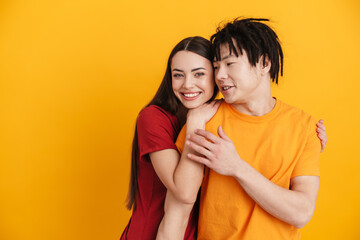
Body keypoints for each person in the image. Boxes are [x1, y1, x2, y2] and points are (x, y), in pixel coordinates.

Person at [121, 33, 327, 239]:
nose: (220, 75)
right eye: (217, 66)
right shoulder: (188, 121)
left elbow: (302, 212)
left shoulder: (304, 126)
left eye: (200, 73)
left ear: (264, 63)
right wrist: (195, 122)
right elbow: (181, 203)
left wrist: (307, 139)